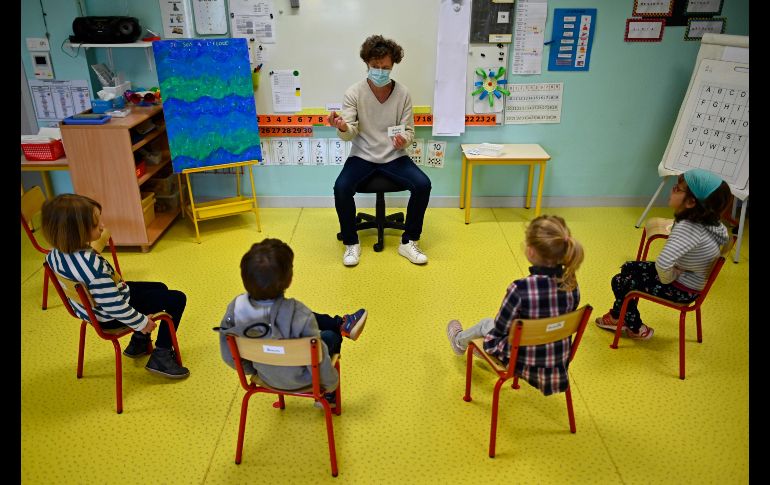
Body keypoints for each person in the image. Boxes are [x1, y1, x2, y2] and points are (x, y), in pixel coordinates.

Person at [41, 194, 189, 379]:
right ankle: (161, 355)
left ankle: (139, 343)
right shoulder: (93, 269)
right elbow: (116, 307)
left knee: (160, 287)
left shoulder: (53, 256)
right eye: (95, 225)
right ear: (76, 232)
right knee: (177, 299)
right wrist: (142, 323)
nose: (102, 226)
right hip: (109, 316)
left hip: (90, 310)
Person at [217, 238, 368, 408]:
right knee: (331, 337)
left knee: (301, 327)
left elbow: (228, 355)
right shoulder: (299, 313)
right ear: (289, 280)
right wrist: (331, 383)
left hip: (266, 375)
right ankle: (327, 398)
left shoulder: (234, 309)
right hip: (303, 379)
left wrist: (254, 369)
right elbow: (319, 357)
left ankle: (341, 324)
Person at [446, 215, 584, 396]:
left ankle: (459, 341)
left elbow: (501, 328)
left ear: (531, 251)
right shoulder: (572, 284)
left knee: (486, 324)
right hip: (556, 363)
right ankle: (467, 342)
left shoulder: (520, 289)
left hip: (521, 361)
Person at [329, 34, 432, 267]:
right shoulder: (354, 92)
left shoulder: (403, 93)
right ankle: (351, 243)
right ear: (367, 63)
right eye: (375, 66)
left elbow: (409, 132)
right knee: (341, 188)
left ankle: (409, 242)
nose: (380, 71)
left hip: (394, 156)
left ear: (393, 65)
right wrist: (343, 127)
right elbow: (348, 132)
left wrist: (402, 141)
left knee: (423, 185)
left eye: (385, 67)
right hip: (362, 155)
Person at [595, 168, 732, 340]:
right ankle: (617, 316)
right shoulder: (714, 224)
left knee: (620, 281)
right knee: (628, 267)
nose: (672, 190)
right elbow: (723, 243)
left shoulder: (687, 228)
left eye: (677, 189)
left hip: (681, 288)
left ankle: (636, 328)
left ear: (691, 202)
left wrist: (669, 276)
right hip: (693, 282)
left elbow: (663, 264)